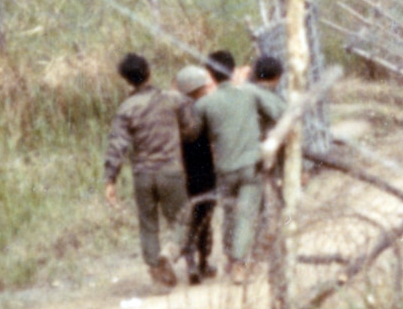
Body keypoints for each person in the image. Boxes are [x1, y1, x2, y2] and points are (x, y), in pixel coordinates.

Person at [104, 52, 198, 289]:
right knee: (183, 218)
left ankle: (157, 269)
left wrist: (110, 180)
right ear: (149, 72)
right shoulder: (173, 100)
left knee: (148, 224)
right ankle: (171, 250)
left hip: (142, 175)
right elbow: (191, 130)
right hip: (170, 171)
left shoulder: (126, 108)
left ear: (126, 80)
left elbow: (117, 146)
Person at [197, 48, 284, 284]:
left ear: (210, 74)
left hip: (224, 167)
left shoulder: (204, 104)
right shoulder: (249, 92)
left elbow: (194, 133)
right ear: (233, 70)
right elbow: (279, 112)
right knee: (246, 214)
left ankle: (229, 256)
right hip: (251, 165)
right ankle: (239, 263)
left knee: (229, 213)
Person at [174, 64, 219, 284]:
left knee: (187, 219)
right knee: (205, 217)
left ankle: (190, 261)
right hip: (205, 170)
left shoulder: (173, 110)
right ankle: (203, 261)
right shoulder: (205, 108)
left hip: (182, 172)